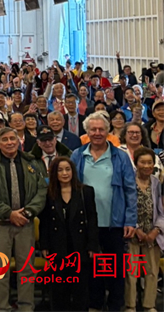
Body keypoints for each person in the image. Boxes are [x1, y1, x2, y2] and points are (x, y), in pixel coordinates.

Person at [70, 113, 137, 312]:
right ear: (87, 132)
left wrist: (130, 220)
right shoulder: (77, 155)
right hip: (86, 223)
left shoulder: (120, 156)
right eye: (93, 129)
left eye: (101, 129)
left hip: (113, 222)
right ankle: (95, 304)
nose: (97, 133)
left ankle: (115, 305)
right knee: (90, 268)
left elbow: (130, 190)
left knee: (115, 268)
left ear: (108, 131)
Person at [0, 127, 47, 312]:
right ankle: (1, 307)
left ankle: (26, 307)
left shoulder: (33, 163)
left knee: (27, 269)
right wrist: (9, 213)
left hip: (25, 223)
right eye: (5, 140)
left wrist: (28, 212)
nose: (9, 143)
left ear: (19, 142)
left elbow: (42, 191)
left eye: (12, 139)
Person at [38, 156, 99, 311]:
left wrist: (92, 245)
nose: (64, 173)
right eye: (60, 170)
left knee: (80, 288)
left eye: (68, 169)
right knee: (58, 289)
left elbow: (92, 219)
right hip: (57, 246)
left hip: (80, 246)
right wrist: (44, 245)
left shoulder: (86, 192)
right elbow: (45, 222)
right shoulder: (48, 193)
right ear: (54, 173)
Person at [124, 147, 163, 312]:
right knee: (131, 273)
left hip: (152, 234)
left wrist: (156, 230)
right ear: (136, 163)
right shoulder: (128, 181)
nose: (146, 166)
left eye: (150, 162)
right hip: (132, 232)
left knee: (152, 271)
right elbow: (123, 206)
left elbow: (162, 211)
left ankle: (149, 305)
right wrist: (136, 228)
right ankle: (130, 305)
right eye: (143, 162)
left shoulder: (157, 183)